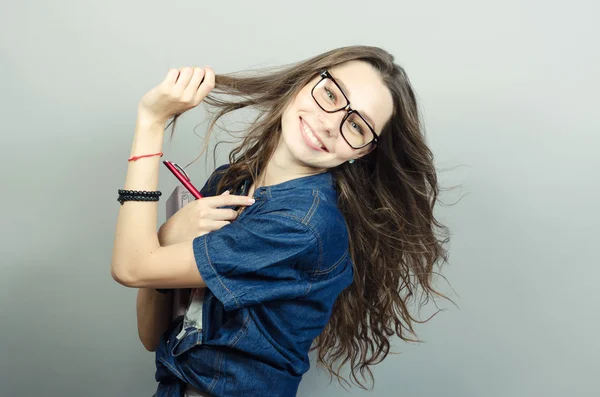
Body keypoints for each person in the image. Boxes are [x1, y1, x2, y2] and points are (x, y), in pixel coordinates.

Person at [110, 45, 451, 397]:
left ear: (362, 151)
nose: (329, 124)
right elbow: (152, 335)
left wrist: (151, 123)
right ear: (304, 82)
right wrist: (165, 247)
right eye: (331, 94)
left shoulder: (303, 226)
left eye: (356, 126)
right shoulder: (231, 182)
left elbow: (130, 267)